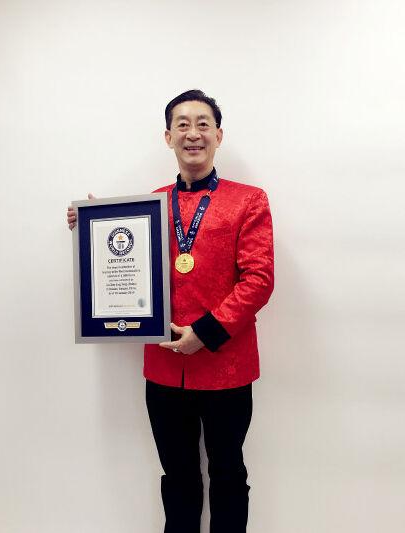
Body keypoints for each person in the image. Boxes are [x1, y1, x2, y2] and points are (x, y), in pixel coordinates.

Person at [67, 89, 274, 533]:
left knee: (228, 474)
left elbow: (259, 279)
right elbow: (125, 259)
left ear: (219, 135)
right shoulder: (152, 204)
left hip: (227, 366)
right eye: (182, 124)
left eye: (203, 124)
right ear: (168, 137)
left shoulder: (249, 200)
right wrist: (93, 224)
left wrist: (206, 332)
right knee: (177, 478)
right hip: (163, 369)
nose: (192, 133)